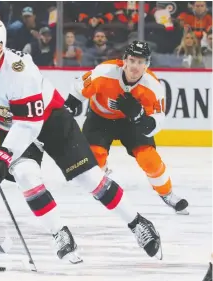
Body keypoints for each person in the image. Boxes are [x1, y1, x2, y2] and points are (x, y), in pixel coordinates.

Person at [0, 18, 162, 263]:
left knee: (88, 178)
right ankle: (59, 232)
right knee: (26, 176)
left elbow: (29, 125)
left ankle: (138, 223)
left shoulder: (20, 71)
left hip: (50, 118)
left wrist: (2, 155)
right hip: (9, 126)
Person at [64, 41, 189, 215]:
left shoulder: (153, 86)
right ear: (124, 61)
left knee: (150, 159)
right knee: (93, 161)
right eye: (132, 60)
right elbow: (78, 89)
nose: (135, 66)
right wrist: (69, 106)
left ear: (147, 64)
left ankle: (167, 194)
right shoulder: (104, 72)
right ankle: (103, 169)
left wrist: (139, 116)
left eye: (140, 62)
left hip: (132, 124)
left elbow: (156, 123)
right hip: (100, 120)